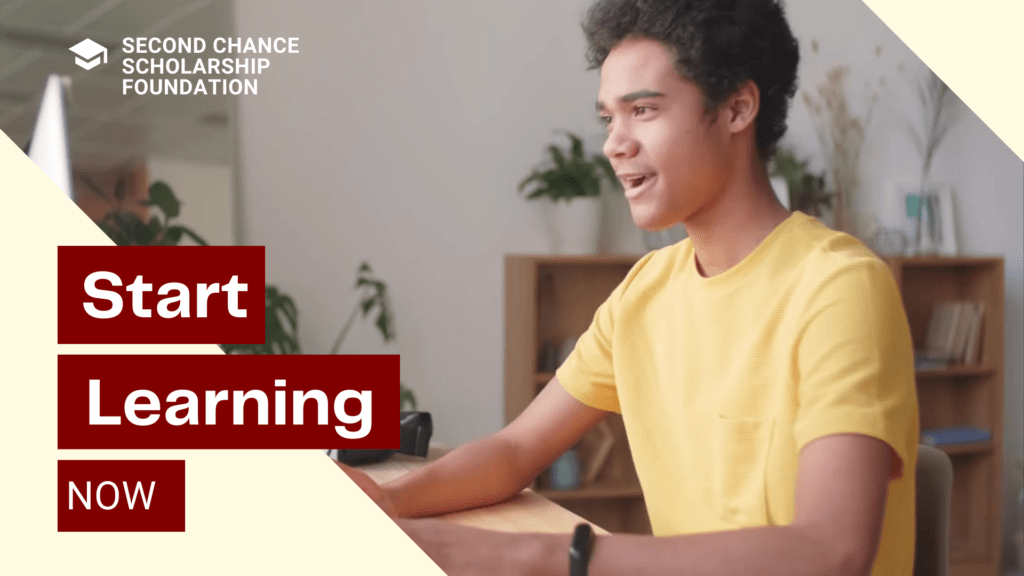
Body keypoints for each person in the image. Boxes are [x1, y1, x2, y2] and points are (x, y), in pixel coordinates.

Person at [339, 0, 920, 574]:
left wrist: (534, 556)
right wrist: (386, 500)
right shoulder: (645, 292)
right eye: (608, 118)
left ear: (738, 108)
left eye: (643, 110)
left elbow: (832, 552)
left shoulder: (841, 290)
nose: (614, 143)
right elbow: (515, 452)